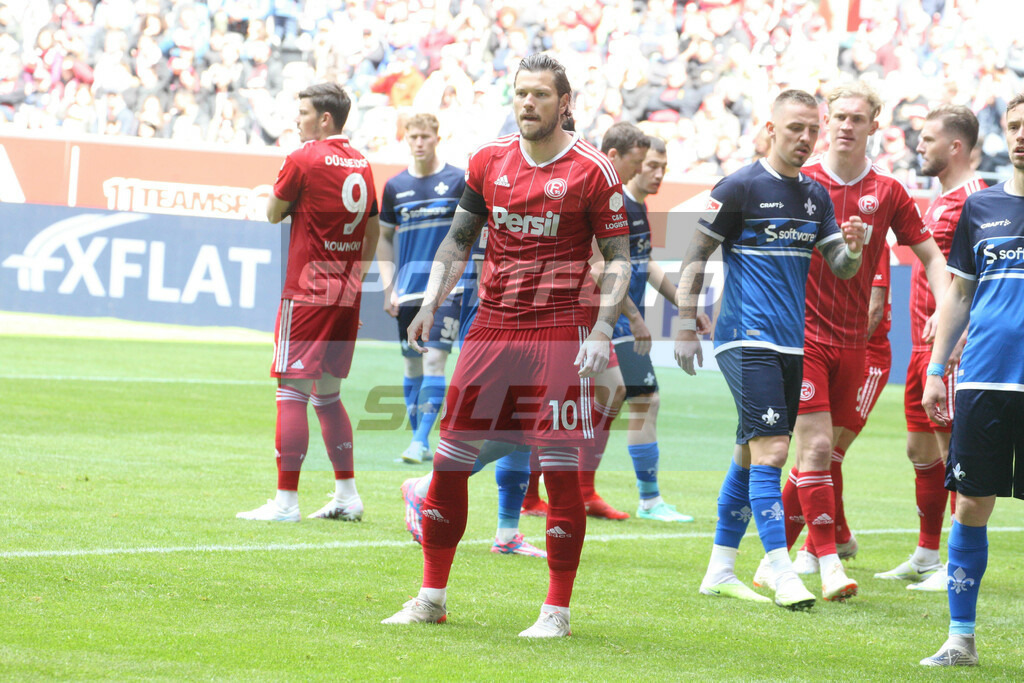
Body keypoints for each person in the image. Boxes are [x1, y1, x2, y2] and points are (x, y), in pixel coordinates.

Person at [382, 53, 632, 637]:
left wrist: (601, 330)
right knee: (448, 463)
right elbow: (458, 240)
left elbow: (620, 259)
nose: (528, 103)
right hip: (491, 325)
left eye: (541, 94)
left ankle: (556, 612)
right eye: (521, 93)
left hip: (559, 328)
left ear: (564, 103)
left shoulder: (593, 170)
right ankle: (431, 597)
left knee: (561, 471)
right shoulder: (489, 160)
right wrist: (431, 299)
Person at [751, 82, 949, 601]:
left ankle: (776, 560)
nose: (844, 126)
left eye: (856, 118)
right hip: (801, 339)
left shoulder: (887, 192)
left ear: (872, 126)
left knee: (823, 455)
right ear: (826, 121)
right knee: (817, 448)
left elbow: (930, 255)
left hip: (856, 346)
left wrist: (951, 309)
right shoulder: (799, 182)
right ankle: (826, 560)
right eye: (837, 116)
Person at [674, 89, 865, 611]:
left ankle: (719, 569)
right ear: (771, 127)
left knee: (747, 454)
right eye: (795, 128)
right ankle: (782, 571)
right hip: (745, 335)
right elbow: (695, 254)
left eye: (812, 129)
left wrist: (856, 245)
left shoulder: (815, 196)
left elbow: (842, 268)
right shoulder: (739, 185)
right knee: (775, 452)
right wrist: (686, 323)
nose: (805, 139)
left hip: (790, 342)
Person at [237, 83, 379, 522]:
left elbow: (273, 212)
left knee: (291, 391)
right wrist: (355, 275)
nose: (296, 120)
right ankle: (346, 495)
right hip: (345, 293)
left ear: (325, 119)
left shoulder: (304, 158)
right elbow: (372, 229)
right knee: (328, 395)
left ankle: (286, 503)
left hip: (308, 291)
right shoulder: (362, 162)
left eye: (302, 113)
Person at [918, 92, 1024, 668]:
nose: (1021, 135)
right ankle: (960, 638)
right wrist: (937, 368)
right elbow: (958, 293)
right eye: (1014, 126)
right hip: (983, 378)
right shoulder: (983, 209)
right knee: (970, 507)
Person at [875, 105, 984, 588]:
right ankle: (925, 553)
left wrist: (955, 328)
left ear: (955, 146)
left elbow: (980, 278)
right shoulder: (938, 200)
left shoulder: (976, 201)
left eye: (928, 139)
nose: (919, 146)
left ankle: (954, 563)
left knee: (952, 448)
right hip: (921, 348)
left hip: (953, 348)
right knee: (920, 450)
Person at [591, 135, 709, 521]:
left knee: (602, 405)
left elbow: (646, 264)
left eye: (663, 167)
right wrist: (634, 317)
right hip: (614, 321)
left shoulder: (638, 207)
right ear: (635, 163)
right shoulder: (617, 206)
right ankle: (649, 500)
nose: (658, 173)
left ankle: (566, 487)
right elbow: (602, 270)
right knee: (644, 400)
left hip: (624, 320)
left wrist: (684, 306)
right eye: (651, 165)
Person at [792, 244, 893, 572]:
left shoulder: (875, 240)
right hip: (825, 353)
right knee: (814, 453)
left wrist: (846, 348)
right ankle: (834, 537)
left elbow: (874, 312)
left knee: (826, 453)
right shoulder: (824, 238)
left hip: (865, 357)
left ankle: (810, 550)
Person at [377, 113, 466, 464]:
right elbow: (384, 237)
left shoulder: (458, 180)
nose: (419, 142)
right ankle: (421, 440)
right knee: (412, 366)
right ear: (406, 139)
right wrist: (389, 287)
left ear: (437, 138)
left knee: (433, 363)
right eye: (413, 136)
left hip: (446, 292)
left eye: (425, 136)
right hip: (409, 292)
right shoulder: (396, 187)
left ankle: (418, 440)